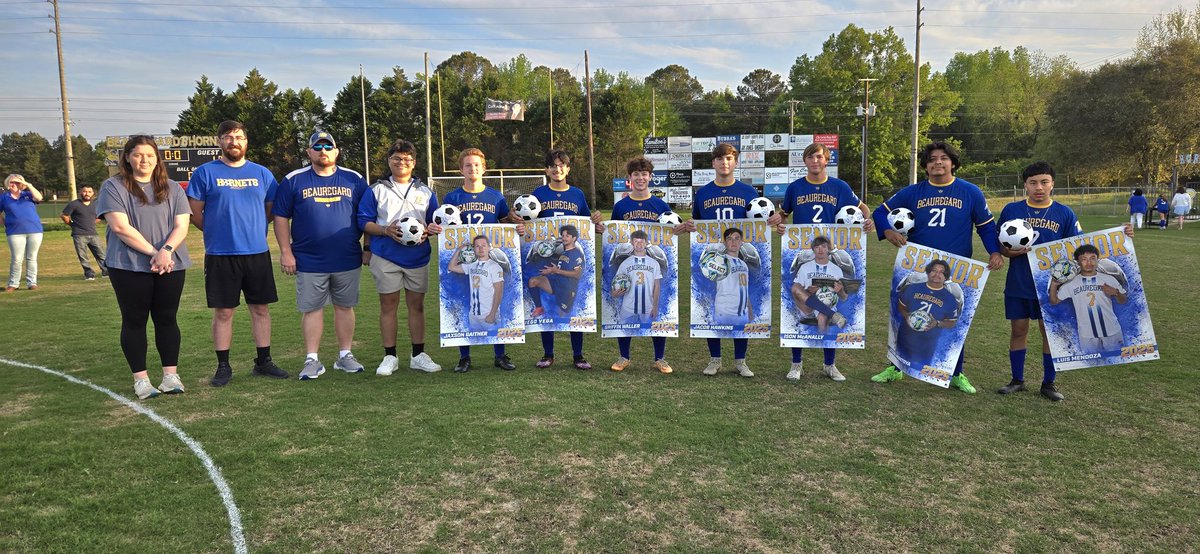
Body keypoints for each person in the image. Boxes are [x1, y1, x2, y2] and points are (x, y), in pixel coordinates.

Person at [869, 141, 1004, 394]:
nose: (937, 163)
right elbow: (879, 213)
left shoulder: (970, 192)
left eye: (943, 158)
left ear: (953, 163)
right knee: (906, 314)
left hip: (955, 268)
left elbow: (985, 226)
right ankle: (896, 367)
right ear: (926, 165)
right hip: (919, 266)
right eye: (932, 159)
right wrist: (887, 231)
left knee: (954, 319)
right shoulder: (912, 192)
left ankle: (956, 373)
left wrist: (994, 251)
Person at [996, 161, 1134, 402]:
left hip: (1051, 285)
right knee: (1018, 331)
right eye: (1033, 183)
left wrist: (1121, 234)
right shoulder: (1011, 210)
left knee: (1049, 332)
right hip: (1019, 283)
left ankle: (1048, 383)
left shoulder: (1064, 213)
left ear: (1053, 184)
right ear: (1025, 185)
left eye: (1044, 182)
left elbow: (1082, 248)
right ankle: (1017, 380)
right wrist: (1010, 252)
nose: (1039, 187)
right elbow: (1002, 248)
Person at [187, 120, 288, 386]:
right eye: (229, 137)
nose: (234, 142)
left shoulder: (262, 173)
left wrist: (252, 227)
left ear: (246, 141)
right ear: (219, 141)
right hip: (220, 254)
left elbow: (270, 210)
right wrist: (217, 230)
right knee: (223, 312)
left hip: (256, 252)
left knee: (261, 308)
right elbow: (195, 213)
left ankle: (263, 361)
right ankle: (223, 366)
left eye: (239, 137)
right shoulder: (205, 173)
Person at [95, 135, 191, 400]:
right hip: (128, 265)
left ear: (157, 159)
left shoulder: (173, 188)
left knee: (167, 318)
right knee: (135, 320)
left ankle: (171, 377)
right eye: (137, 155)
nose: (144, 160)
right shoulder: (113, 186)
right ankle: (141, 380)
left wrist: (166, 251)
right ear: (127, 157)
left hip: (170, 264)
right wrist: (154, 253)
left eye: (149, 155)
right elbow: (120, 227)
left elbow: (181, 225)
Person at [273, 131, 370, 381]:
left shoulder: (354, 179)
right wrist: (286, 252)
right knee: (312, 309)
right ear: (309, 152)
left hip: (347, 257)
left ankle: (345, 355)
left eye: (328, 146)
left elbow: (368, 215)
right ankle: (312, 359)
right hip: (308, 259)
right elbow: (280, 216)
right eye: (317, 147)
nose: (323, 151)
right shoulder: (293, 180)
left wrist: (367, 248)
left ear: (336, 151)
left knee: (345, 307)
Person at [776, 142, 873, 383]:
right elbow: (784, 214)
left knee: (830, 299)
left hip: (830, 253)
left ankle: (830, 365)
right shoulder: (795, 187)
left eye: (819, 157)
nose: (815, 161)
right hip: (804, 252)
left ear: (827, 160)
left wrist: (868, 220)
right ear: (805, 161)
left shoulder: (840, 186)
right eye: (810, 157)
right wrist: (780, 224)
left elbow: (862, 208)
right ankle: (796, 364)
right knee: (799, 303)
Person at [684, 143, 782, 378]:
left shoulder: (748, 192)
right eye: (719, 159)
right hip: (715, 259)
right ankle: (714, 359)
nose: (724, 163)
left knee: (741, 302)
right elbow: (698, 224)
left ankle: (740, 361)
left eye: (728, 158)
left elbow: (759, 224)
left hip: (740, 256)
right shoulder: (703, 193)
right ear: (713, 163)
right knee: (713, 301)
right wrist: (691, 226)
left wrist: (772, 221)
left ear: (735, 162)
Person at [357, 139, 443, 376]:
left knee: (417, 306)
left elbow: (435, 222)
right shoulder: (376, 189)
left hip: (417, 257)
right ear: (389, 161)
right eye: (396, 158)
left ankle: (418, 355)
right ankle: (390, 356)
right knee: (388, 306)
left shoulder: (425, 191)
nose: (401, 162)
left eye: (406, 159)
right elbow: (363, 221)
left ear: (414, 163)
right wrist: (385, 230)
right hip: (386, 256)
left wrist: (429, 231)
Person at [438, 148, 523, 373]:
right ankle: (464, 357)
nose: (472, 168)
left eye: (477, 165)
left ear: (484, 169)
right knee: (465, 302)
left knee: (492, 300)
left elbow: (504, 224)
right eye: (468, 165)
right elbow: (444, 226)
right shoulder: (452, 198)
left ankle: (500, 354)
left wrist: (515, 225)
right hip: (466, 259)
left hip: (487, 258)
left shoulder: (496, 196)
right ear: (461, 170)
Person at [528, 149, 603, 370]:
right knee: (547, 304)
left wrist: (595, 222)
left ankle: (578, 355)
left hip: (569, 258)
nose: (557, 169)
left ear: (568, 169)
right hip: (547, 256)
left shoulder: (577, 194)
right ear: (546, 170)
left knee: (572, 310)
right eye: (552, 165)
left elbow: (586, 225)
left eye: (561, 165)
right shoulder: (538, 194)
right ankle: (548, 353)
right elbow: (528, 222)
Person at [607, 157, 680, 374]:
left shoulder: (660, 206)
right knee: (626, 307)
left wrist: (677, 230)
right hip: (629, 263)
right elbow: (615, 235)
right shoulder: (621, 206)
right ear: (630, 178)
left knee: (656, 311)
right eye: (636, 174)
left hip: (651, 263)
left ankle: (660, 358)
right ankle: (623, 356)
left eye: (644, 173)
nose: (640, 178)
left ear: (650, 177)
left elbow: (669, 235)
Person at [1049, 244, 1127, 355]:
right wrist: (1053, 285)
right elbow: (1054, 301)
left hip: (1112, 330)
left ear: (1097, 260)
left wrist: (1116, 293)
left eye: (1092, 258)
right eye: (1084, 259)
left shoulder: (1109, 279)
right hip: (1086, 334)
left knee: (1117, 360)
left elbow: (1123, 300)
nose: (1089, 263)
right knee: (1092, 362)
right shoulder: (1071, 283)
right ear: (1078, 262)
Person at [895, 260, 960, 369]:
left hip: (928, 342)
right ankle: (895, 371)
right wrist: (907, 315)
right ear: (928, 272)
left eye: (941, 272)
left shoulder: (950, 298)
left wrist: (937, 323)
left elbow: (951, 322)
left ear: (946, 277)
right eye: (934, 270)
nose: (937, 274)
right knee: (899, 359)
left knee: (921, 369)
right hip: (906, 336)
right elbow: (901, 306)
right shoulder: (913, 288)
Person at [791, 236, 848, 333]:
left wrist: (840, 291)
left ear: (828, 249)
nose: (820, 250)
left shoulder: (837, 270)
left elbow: (844, 297)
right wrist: (808, 291)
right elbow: (796, 292)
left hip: (828, 304)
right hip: (808, 307)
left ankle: (825, 339)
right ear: (813, 249)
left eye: (823, 246)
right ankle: (833, 315)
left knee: (822, 316)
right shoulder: (805, 267)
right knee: (795, 287)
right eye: (817, 247)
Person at [448, 235, 505, 330]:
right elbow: (451, 267)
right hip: (473, 315)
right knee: (474, 338)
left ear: (489, 247)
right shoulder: (471, 265)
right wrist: (459, 250)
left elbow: (499, 292)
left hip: (488, 314)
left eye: (483, 245)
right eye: (477, 246)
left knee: (493, 338)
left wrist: (492, 314)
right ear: (474, 249)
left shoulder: (495, 267)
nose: (481, 248)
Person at [2, 174, 44, 292]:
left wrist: (28, 184)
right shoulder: (4, 197)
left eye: (17, 182)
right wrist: (5, 223)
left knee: (32, 258)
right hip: (15, 232)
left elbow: (39, 197)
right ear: (7, 184)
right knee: (16, 259)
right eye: (11, 182)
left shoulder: (28, 195)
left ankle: (32, 283)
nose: (14, 184)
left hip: (35, 230)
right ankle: (13, 283)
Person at [613, 229, 662, 325]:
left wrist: (655, 306)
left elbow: (657, 286)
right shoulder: (625, 263)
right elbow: (616, 282)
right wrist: (614, 293)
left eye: (642, 241)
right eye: (636, 241)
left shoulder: (654, 263)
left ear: (646, 243)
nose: (639, 244)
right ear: (631, 242)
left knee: (649, 331)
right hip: (628, 307)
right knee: (622, 331)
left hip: (648, 307)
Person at [60, 185, 108, 280]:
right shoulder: (74, 204)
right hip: (79, 235)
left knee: (101, 254)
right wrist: (72, 224)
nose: (87, 194)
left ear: (93, 193)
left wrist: (92, 222)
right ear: (81, 192)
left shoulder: (95, 204)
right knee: (83, 256)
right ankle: (89, 274)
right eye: (85, 191)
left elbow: (100, 216)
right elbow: (64, 215)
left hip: (93, 234)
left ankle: (106, 272)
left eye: (89, 192)